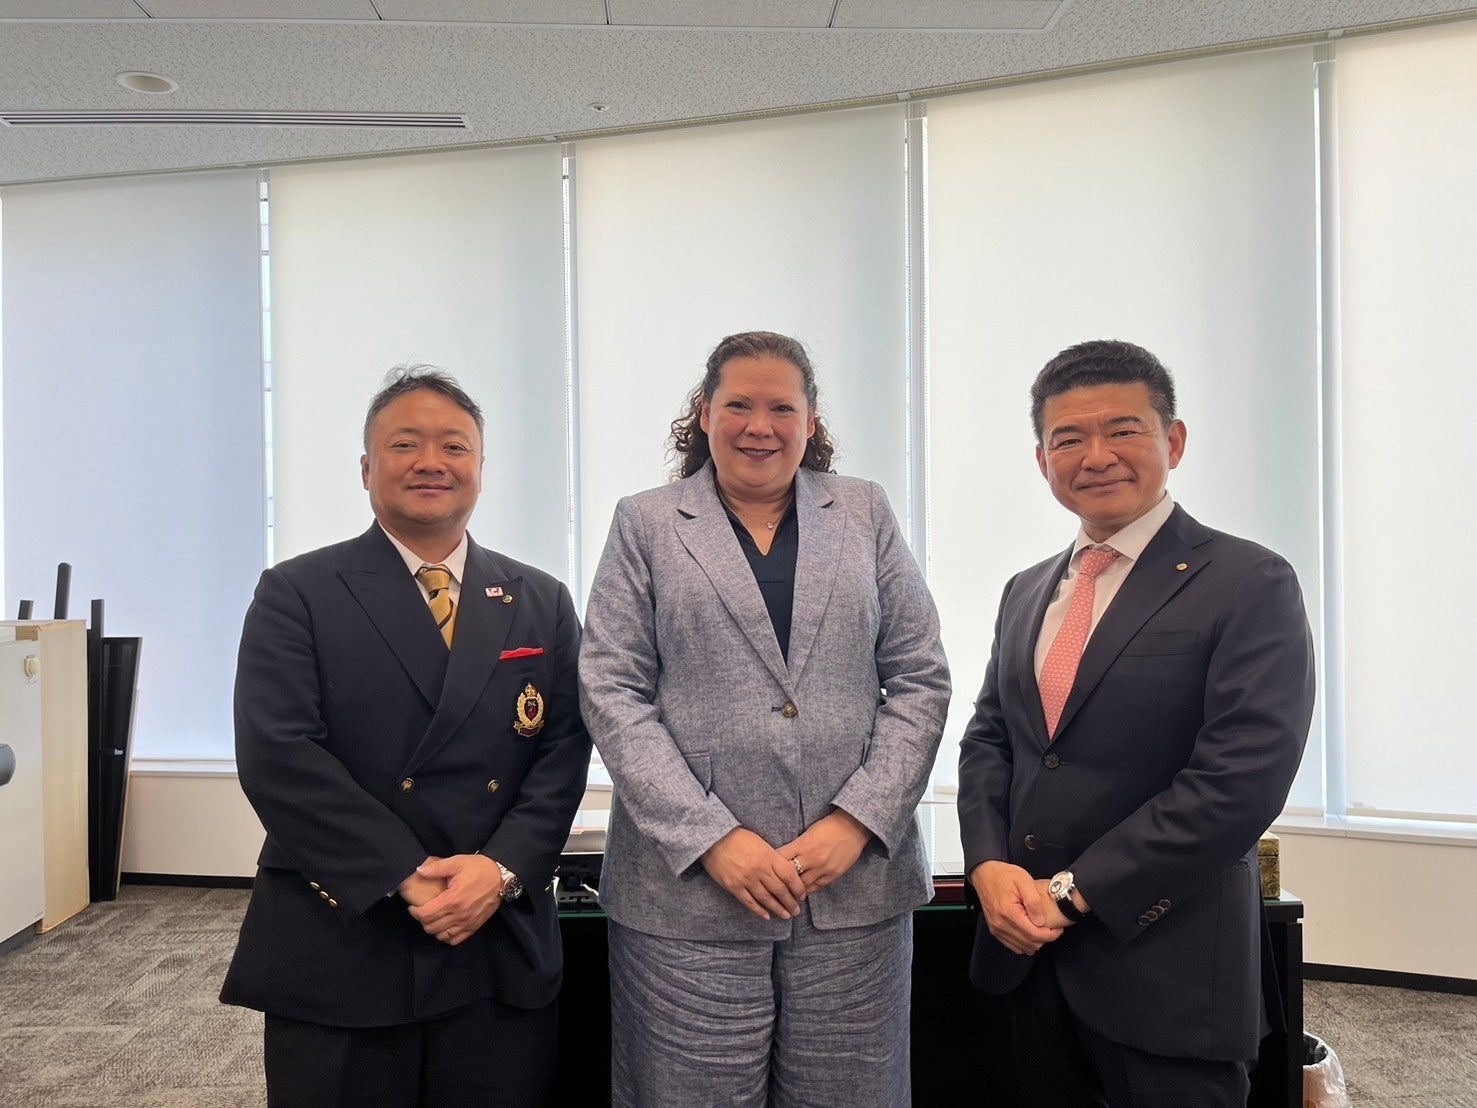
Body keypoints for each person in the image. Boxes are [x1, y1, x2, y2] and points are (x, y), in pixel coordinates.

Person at [579, 331, 950, 1107]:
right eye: (738, 405)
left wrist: (857, 820)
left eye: (781, 407)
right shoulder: (645, 523)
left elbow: (917, 676)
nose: (760, 425)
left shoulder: (864, 511)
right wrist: (711, 837)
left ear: (809, 421)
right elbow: (613, 691)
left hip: (851, 887)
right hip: (687, 896)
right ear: (704, 413)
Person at [957, 339, 1316, 1107]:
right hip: (1026, 961)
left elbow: (1237, 783)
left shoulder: (1248, 580)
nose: (1096, 456)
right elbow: (991, 739)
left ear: (1172, 441)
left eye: (1122, 430)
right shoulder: (1026, 590)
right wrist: (985, 866)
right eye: (1068, 439)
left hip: (1167, 970)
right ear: (1041, 458)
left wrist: (1069, 893)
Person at [220, 366, 591, 1107]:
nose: (431, 462)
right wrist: (408, 874)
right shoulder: (299, 592)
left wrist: (500, 869)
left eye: (454, 446)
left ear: (480, 469)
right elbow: (279, 753)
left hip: (492, 924)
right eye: (404, 444)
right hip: (349, 926)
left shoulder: (539, 598)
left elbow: (564, 748)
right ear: (367, 469)